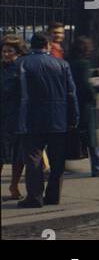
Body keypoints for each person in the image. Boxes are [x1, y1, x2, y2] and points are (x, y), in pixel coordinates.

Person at [17, 31, 78, 208]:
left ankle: (34, 196)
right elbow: (71, 94)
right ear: (48, 45)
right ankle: (53, 196)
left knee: (33, 158)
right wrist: (73, 118)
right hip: (58, 118)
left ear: (31, 45)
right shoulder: (62, 64)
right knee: (57, 160)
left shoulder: (22, 63)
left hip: (31, 118)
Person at [67, 36, 99, 177]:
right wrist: (94, 94)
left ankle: (59, 163)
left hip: (71, 103)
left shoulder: (68, 62)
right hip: (85, 106)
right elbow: (86, 85)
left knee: (72, 134)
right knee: (92, 137)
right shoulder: (84, 64)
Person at [1, 36, 26, 200]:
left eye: (9, 51)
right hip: (2, 117)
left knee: (18, 155)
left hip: (17, 117)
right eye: (3, 51)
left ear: (18, 52)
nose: (5, 54)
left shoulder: (22, 69)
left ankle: (14, 185)